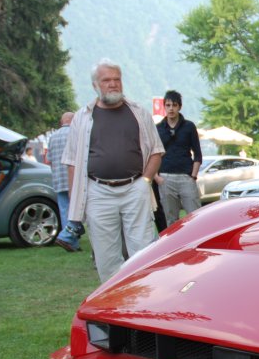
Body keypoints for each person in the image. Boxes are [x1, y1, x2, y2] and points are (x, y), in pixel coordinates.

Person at [62, 59, 164, 282]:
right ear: (95, 85)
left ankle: (144, 299)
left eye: (117, 79)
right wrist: (75, 199)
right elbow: (71, 161)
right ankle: (113, 306)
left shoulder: (139, 113)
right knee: (106, 255)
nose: (113, 84)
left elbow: (156, 151)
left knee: (144, 251)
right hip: (97, 192)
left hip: (135, 188)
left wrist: (145, 182)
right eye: (106, 80)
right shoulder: (82, 117)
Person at [153, 90, 203, 227]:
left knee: (196, 217)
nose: (171, 108)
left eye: (174, 105)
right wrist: (157, 178)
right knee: (171, 221)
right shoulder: (158, 129)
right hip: (165, 178)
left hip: (186, 177)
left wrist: (193, 177)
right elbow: (152, 154)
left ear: (179, 107)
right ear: (164, 106)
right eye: (168, 105)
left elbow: (198, 154)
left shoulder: (189, 127)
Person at [49, 112, 86, 253]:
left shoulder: (53, 136)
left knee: (65, 211)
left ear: (62, 121)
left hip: (58, 178)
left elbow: (50, 160)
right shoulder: (76, 133)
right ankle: (66, 235)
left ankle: (72, 242)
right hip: (74, 177)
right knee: (79, 209)